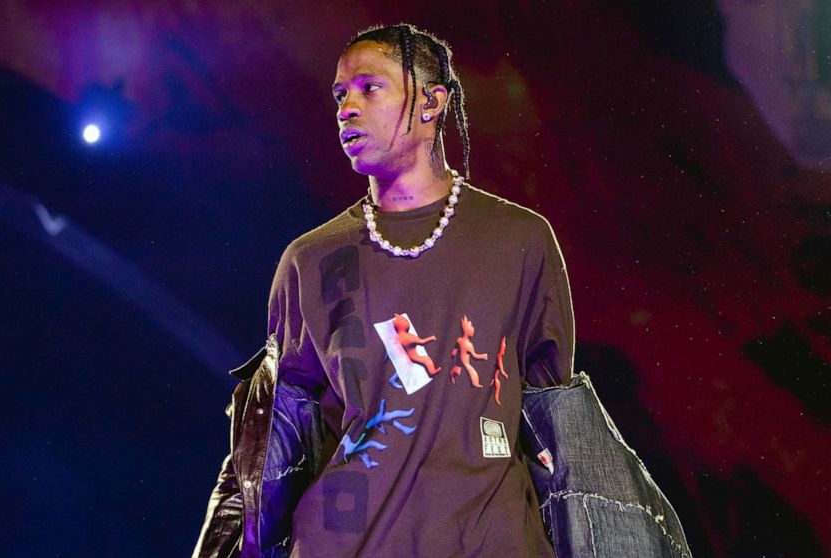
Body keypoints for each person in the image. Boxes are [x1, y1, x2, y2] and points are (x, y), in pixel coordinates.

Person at [195, 23, 575, 557]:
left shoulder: (520, 240)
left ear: (431, 103)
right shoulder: (311, 259)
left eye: (370, 88)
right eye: (339, 95)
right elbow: (270, 444)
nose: (347, 107)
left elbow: (554, 423)